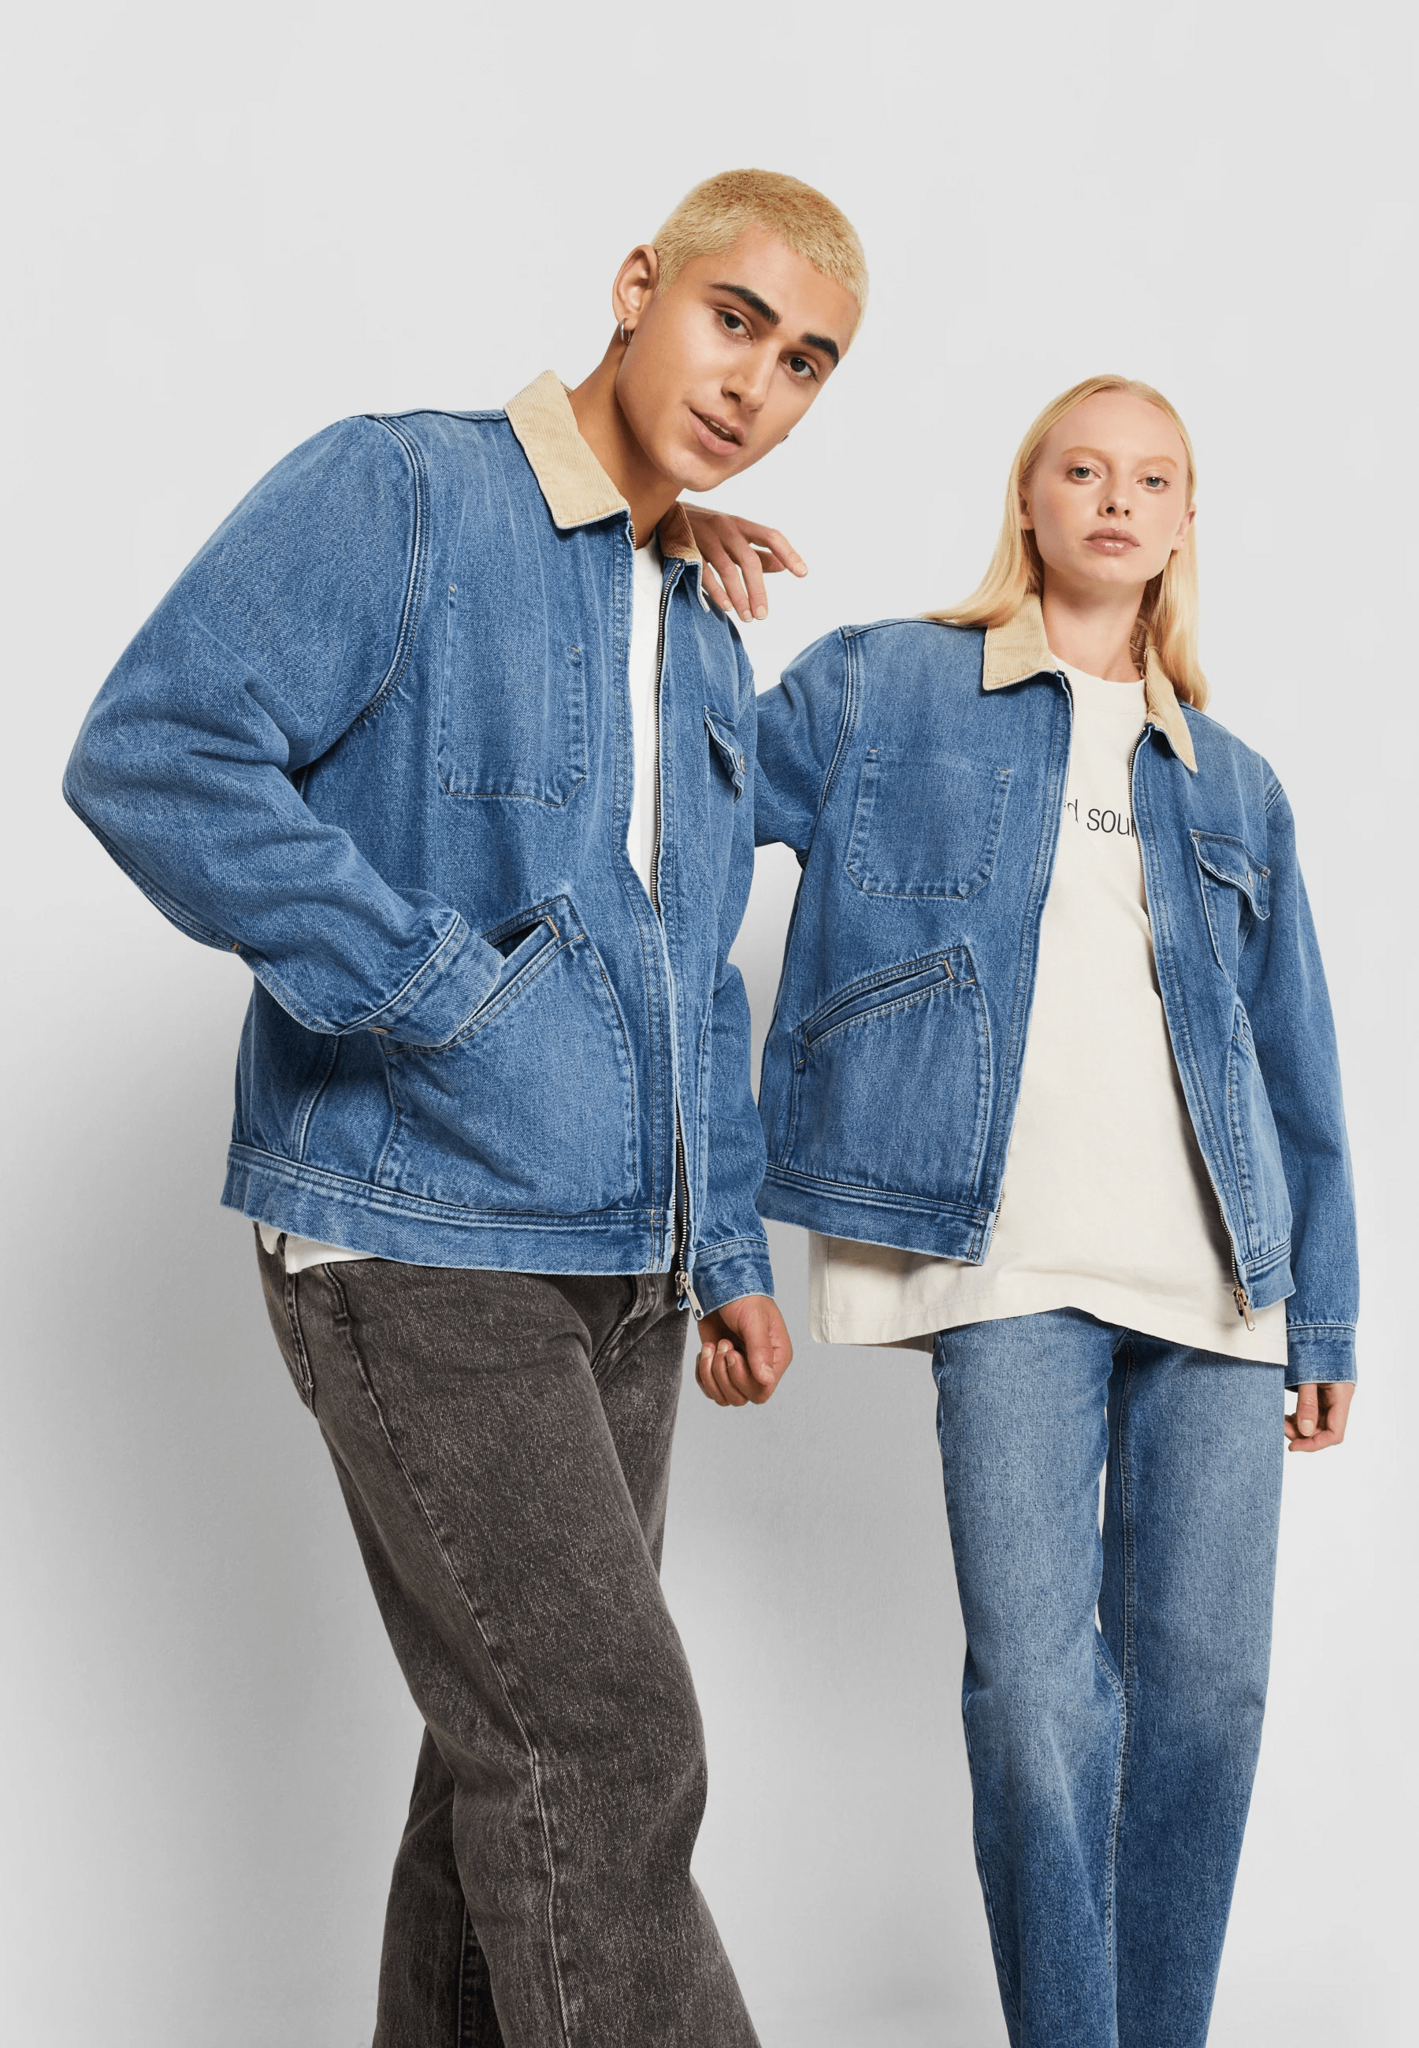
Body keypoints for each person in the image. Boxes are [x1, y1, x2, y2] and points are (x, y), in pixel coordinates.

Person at [63, 169, 865, 2048]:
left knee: (503, 1753)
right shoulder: (405, 489)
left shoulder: (700, 617)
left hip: (625, 1271)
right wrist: (433, 989)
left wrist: (725, 1248)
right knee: (608, 1740)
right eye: (734, 320)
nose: (754, 384)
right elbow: (157, 750)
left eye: (806, 363)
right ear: (637, 284)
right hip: (414, 1225)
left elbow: (691, 961)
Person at [691, 376, 1357, 2045]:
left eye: (1152, 479)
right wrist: (661, 570)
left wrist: (1326, 1308)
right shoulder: (886, 683)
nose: (1115, 500)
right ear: (1029, 498)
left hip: (1218, 1285)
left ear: (1183, 522)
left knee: (1207, 1697)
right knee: (1038, 1696)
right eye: (1082, 468)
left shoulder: (1234, 784)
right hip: (995, 1265)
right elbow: (688, 795)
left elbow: (1293, 1067)